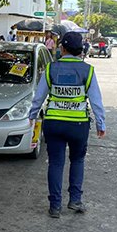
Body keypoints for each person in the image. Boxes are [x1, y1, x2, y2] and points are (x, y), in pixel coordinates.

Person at [29, 31, 106, 218]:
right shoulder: (88, 70)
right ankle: (75, 200)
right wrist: (100, 124)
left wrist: (32, 115)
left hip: (54, 123)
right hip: (78, 125)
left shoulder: (51, 69)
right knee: (77, 160)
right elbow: (96, 100)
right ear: (80, 50)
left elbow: (39, 96)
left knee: (55, 163)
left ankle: (55, 206)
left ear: (62, 48)